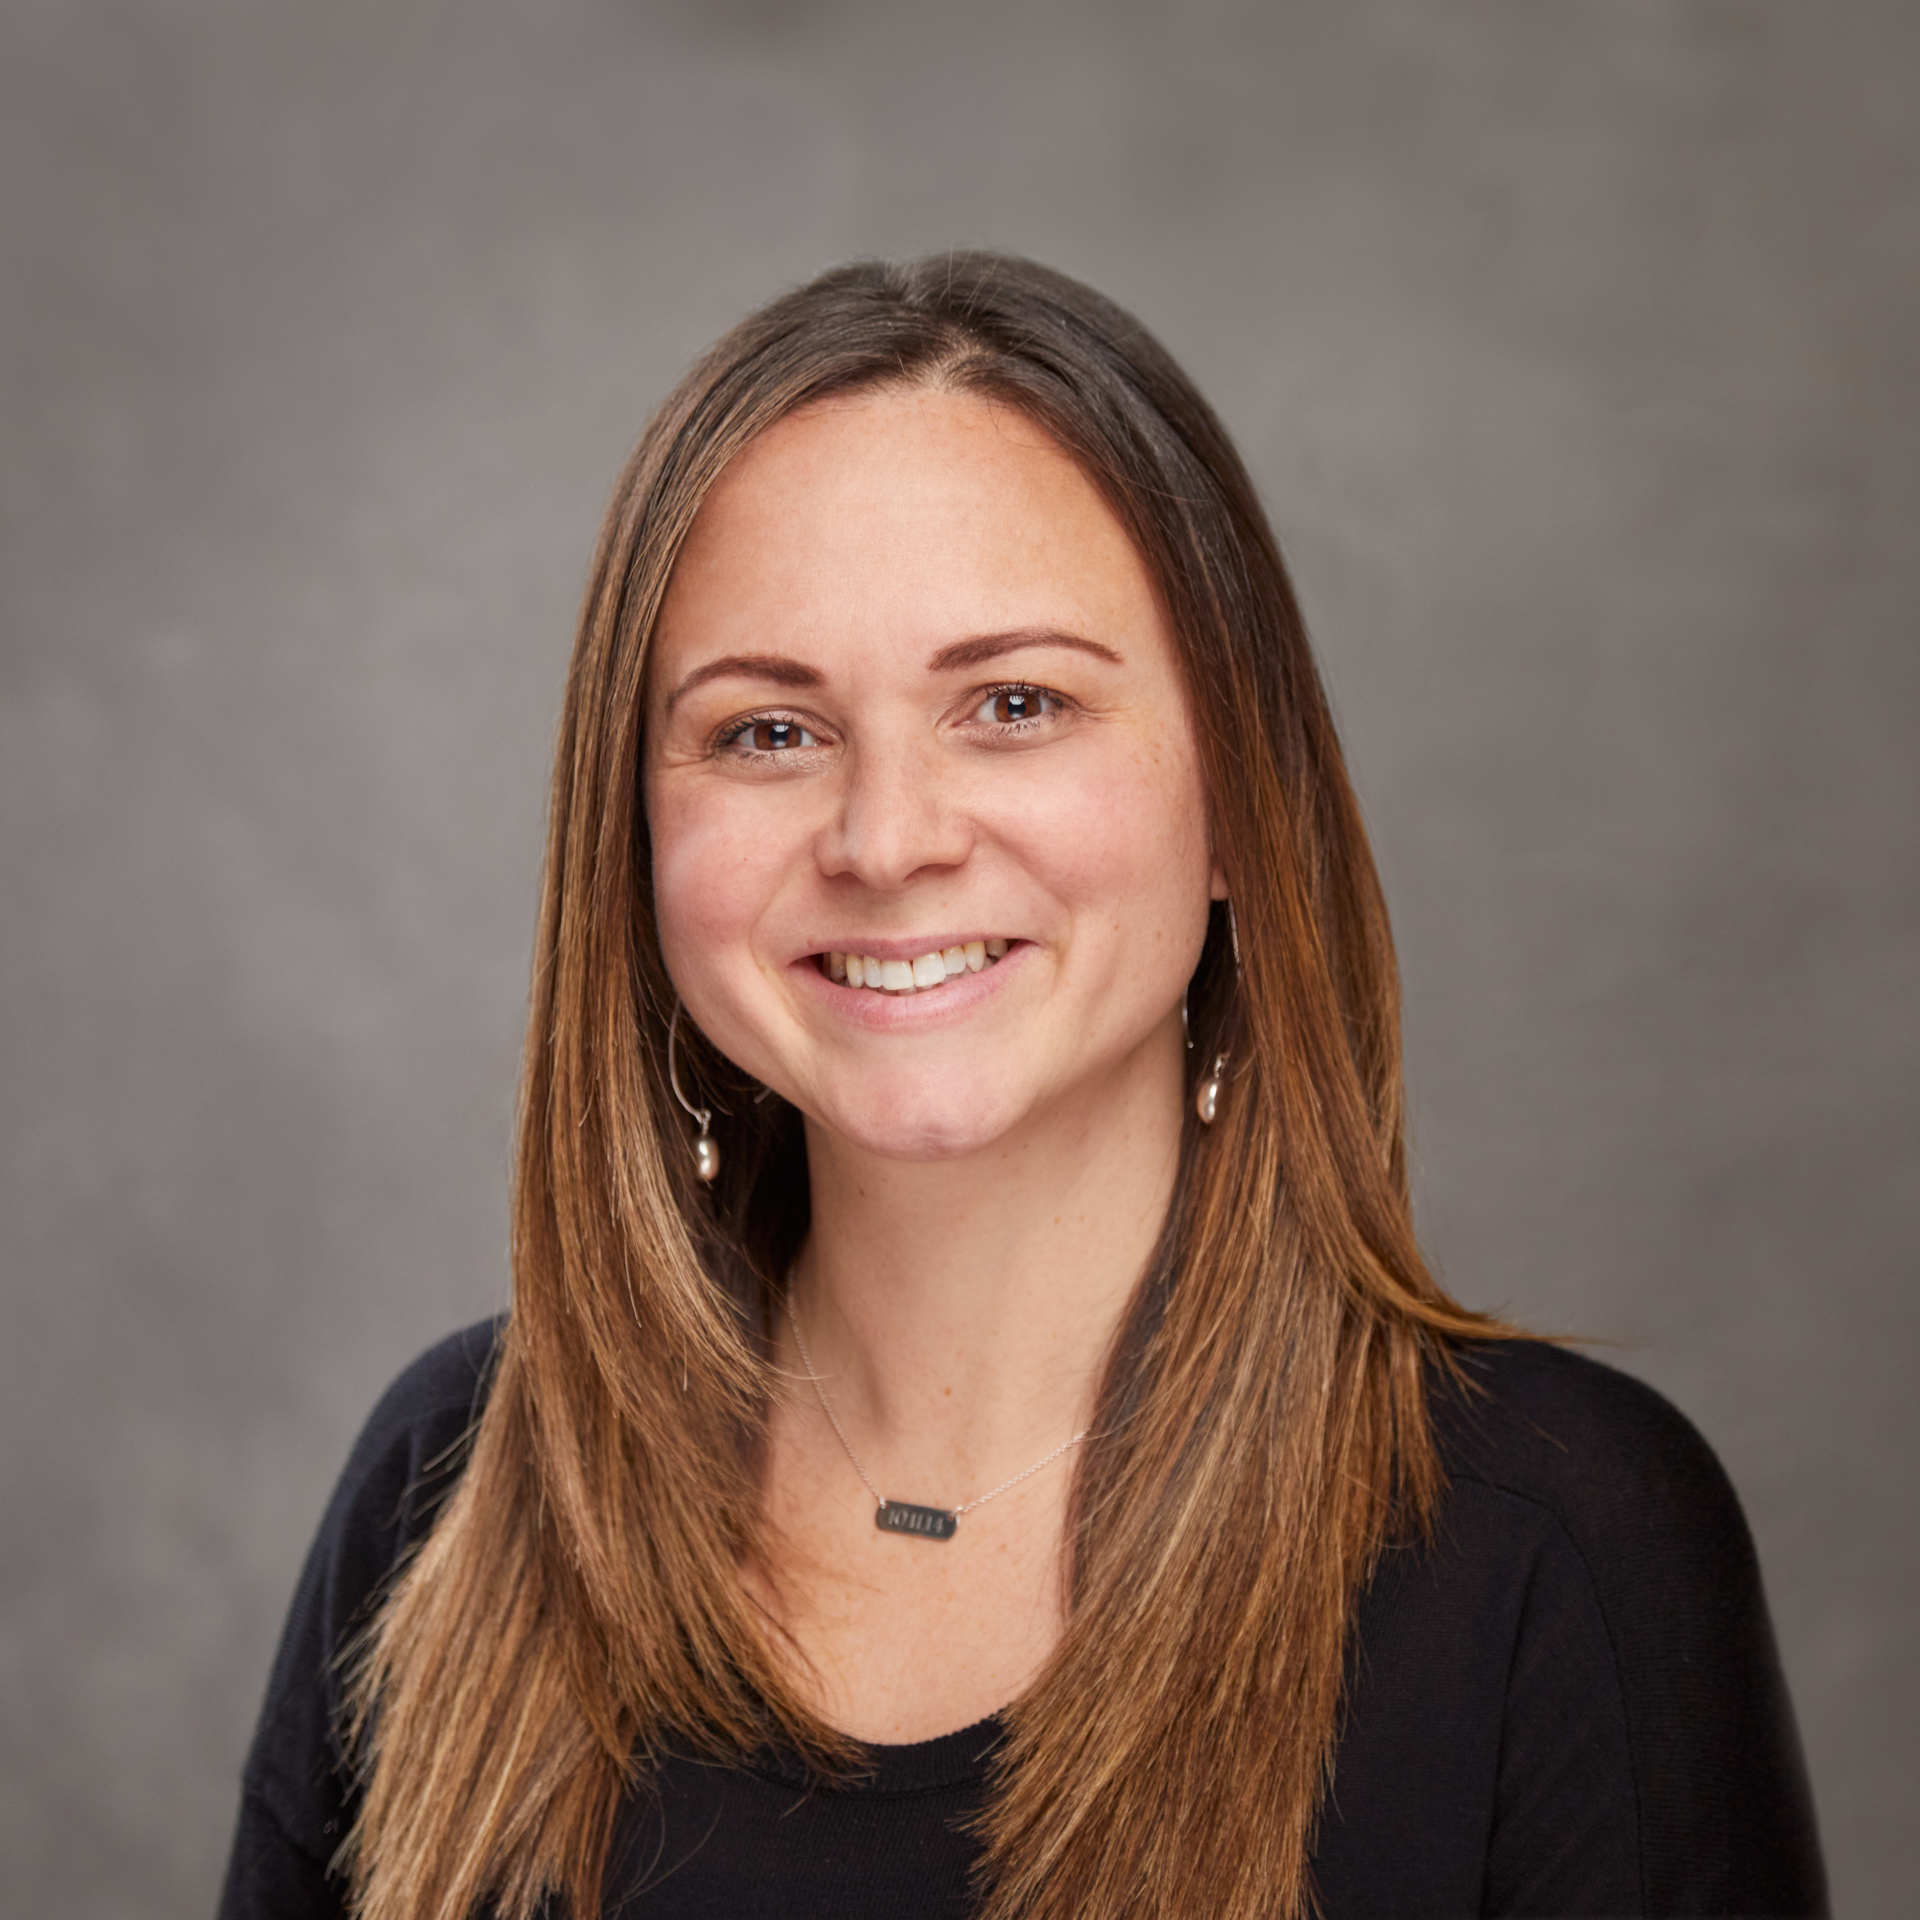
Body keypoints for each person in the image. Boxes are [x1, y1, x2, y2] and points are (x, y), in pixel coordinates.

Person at [217, 252, 1826, 1920]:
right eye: (768, 732)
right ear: (631, 837)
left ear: (1240, 798)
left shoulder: (1559, 1542)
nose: (887, 836)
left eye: (1014, 704)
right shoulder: (452, 1485)